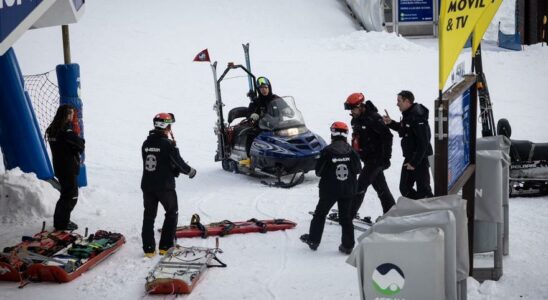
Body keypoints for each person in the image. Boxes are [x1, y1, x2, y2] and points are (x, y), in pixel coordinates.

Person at [300, 121, 361, 254]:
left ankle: (314, 240)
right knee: (346, 218)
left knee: (320, 214)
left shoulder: (327, 151)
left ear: (333, 134)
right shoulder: (352, 152)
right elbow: (358, 169)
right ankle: (348, 245)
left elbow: (318, 172)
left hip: (329, 190)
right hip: (348, 189)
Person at [141, 113, 196, 257]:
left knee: (149, 216)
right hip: (164, 186)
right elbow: (179, 163)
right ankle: (165, 246)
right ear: (166, 127)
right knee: (171, 213)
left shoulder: (146, 143)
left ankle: (148, 249)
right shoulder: (167, 144)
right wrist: (190, 171)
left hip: (147, 185)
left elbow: (160, 162)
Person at [344, 92, 395, 217]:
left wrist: (386, 158)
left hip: (376, 159)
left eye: (353, 109)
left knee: (360, 186)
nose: (351, 112)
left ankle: (348, 215)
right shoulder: (356, 120)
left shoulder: (374, 118)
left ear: (361, 106)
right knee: (381, 188)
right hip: (366, 159)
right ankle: (392, 212)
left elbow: (388, 137)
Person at [383, 90, 434, 199]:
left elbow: (423, 143)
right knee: (405, 188)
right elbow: (404, 130)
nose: (397, 104)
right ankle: (419, 207)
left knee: (424, 190)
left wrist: (414, 163)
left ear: (407, 101)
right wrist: (391, 123)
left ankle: (428, 210)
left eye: (399, 101)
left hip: (420, 158)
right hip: (410, 157)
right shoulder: (409, 114)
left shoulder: (417, 116)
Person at [45, 104, 85, 231]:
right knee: (70, 196)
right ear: (67, 115)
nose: (72, 116)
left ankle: (61, 221)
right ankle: (62, 223)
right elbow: (80, 144)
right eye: (71, 114)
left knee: (65, 195)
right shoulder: (65, 131)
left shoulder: (52, 129)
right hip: (68, 168)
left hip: (59, 166)